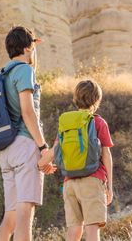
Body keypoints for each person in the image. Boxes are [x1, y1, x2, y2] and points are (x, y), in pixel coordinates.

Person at [0, 26, 55, 241]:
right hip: (24, 146)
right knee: (24, 216)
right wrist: (42, 147)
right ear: (28, 47)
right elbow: (28, 113)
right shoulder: (24, 71)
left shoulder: (3, 74)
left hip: (5, 150)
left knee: (10, 219)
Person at [39, 80, 114, 241]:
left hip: (69, 183)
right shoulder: (98, 122)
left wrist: (42, 164)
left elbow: (54, 151)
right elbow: (106, 155)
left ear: (75, 99)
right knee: (92, 230)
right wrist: (110, 187)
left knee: (74, 232)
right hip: (93, 181)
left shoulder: (66, 124)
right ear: (97, 100)